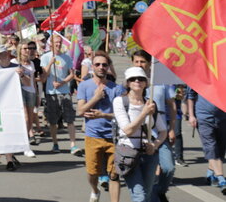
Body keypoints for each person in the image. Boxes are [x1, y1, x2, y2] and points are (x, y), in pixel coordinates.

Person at [114, 67, 167, 202]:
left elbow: (163, 131)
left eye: (141, 79)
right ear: (127, 83)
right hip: (128, 154)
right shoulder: (120, 101)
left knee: (147, 195)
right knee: (139, 196)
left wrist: (154, 145)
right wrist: (144, 113)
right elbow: (128, 130)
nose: (137, 81)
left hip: (148, 154)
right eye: (133, 79)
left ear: (146, 83)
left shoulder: (150, 103)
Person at [76, 51, 123, 202]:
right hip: (93, 136)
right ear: (92, 67)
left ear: (108, 67)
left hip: (113, 137)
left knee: (114, 174)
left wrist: (104, 115)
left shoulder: (116, 88)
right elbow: (80, 111)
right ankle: (95, 190)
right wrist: (95, 98)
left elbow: (122, 115)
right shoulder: (84, 86)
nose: (101, 67)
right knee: (92, 173)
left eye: (104, 64)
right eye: (97, 64)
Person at [129, 50, 175, 202]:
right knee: (143, 177)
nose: (140, 64)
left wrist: (172, 128)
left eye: (142, 61)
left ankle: (159, 190)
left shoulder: (161, 79)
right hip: (139, 135)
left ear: (149, 63)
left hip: (160, 132)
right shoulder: (131, 81)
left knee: (168, 168)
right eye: (136, 61)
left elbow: (171, 105)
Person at [41, 35, 81, 155]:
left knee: (70, 119)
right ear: (51, 44)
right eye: (56, 42)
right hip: (51, 93)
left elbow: (71, 74)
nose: (58, 44)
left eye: (59, 42)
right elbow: (44, 75)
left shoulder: (66, 57)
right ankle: (55, 143)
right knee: (53, 121)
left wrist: (63, 82)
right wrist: (50, 63)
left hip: (64, 92)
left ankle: (73, 145)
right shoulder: (45, 57)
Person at [0, 44, 22, 168]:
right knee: (2, 130)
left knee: (10, 130)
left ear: (6, 54)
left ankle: (9, 157)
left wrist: (22, 75)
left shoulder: (16, 67)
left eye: (0, 53)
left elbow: (28, 83)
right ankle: (9, 158)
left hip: (12, 103)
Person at [188, 87, 226, 189]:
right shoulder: (199, 76)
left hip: (223, 116)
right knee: (210, 146)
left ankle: (210, 172)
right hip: (204, 117)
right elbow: (190, 97)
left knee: (221, 148)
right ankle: (221, 178)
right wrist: (191, 116)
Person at [14, 41, 40, 147]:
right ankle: (24, 139)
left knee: (30, 117)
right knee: (25, 117)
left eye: (28, 48)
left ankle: (28, 136)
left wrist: (37, 94)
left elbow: (32, 80)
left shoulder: (31, 63)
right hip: (20, 91)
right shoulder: (14, 62)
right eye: (25, 48)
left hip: (31, 91)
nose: (27, 50)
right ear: (20, 50)